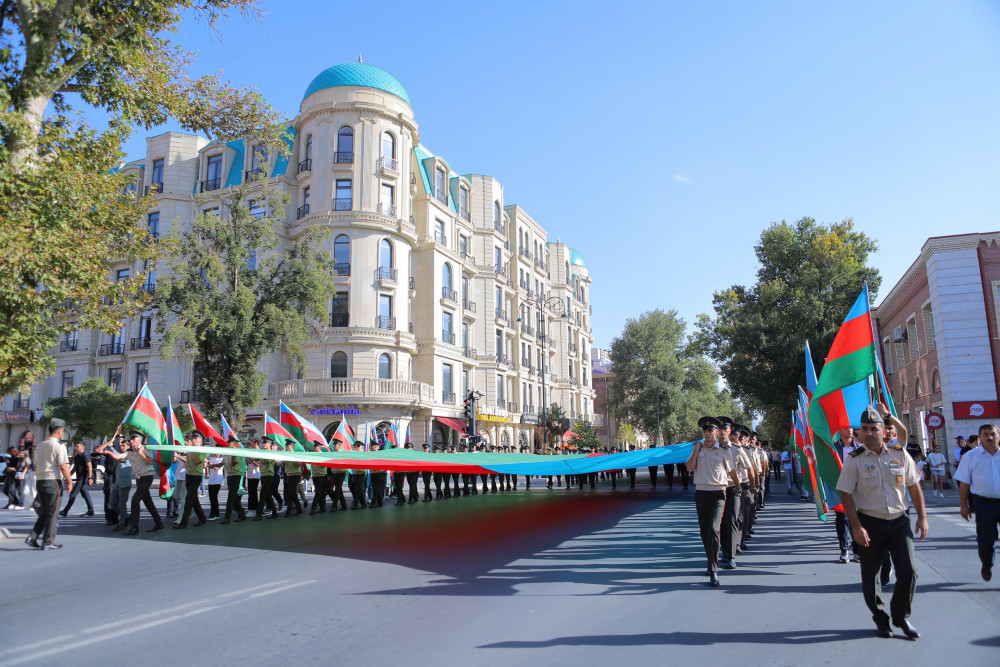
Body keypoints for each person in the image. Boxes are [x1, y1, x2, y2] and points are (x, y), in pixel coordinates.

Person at [836, 405, 927, 639]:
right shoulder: (854, 460)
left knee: (909, 571)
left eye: (873, 428)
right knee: (871, 575)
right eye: (864, 428)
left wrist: (922, 517)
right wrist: (856, 527)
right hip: (869, 523)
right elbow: (845, 493)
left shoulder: (899, 453)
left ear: (884, 431)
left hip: (899, 522)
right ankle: (880, 619)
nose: (868, 432)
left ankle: (901, 617)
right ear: (859, 433)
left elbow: (913, 485)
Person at [686, 416, 739, 588]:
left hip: (718, 493)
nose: (707, 433)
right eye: (705, 431)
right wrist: (695, 450)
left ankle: (713, 569)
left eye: (711, 430)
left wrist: (738, 486)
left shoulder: (724, 450)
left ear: (717, 432)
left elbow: (731, 471)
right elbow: (689, 468)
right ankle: (711, 558)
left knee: (713, 528)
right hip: (701, 493)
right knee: (704, 531)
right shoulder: (698, 449)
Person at [955, 422, 1000, 582]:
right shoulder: (970, 457)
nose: (990, 437)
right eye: (986, 434)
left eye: (993, 434)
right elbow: (964, 483)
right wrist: (963, 505)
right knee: (986, 540)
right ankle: (987, 563)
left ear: (998, 436)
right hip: (984, 504)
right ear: (980, 437)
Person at [25, 419, 73, 549]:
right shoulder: (59, 445)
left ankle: (33, 537)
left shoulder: (40, 445)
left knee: (46, 511)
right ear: (60, 430)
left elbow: (34, 466)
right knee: (53, 513)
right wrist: (69, 482)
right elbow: (63, 466)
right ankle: (48, 542)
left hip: (40, 481)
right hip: (53, 481)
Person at [112, 432, 163, 534]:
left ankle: (134, 527)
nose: (131, 441)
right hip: (139, 479)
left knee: (135, 500)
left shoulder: (145, 449)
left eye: (133, 439)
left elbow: (150, 461)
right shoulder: (130, 451)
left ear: (139, 440)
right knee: (148, 502)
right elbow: (118, 457)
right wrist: (108, 452)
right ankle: (159, 523)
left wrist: (140, 453)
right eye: (130, 439)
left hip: (147, 477)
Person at [834, 427, 859, 563]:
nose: (849, 431)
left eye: (850, 428)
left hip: (858, 488)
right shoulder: (833, 448)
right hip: (840, 488)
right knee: (842, 518)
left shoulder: (860, 447)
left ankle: (857, 550)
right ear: (840, 431)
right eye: (845, 428)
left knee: (857, 519)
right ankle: (844, 550)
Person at [175, 431, 208, 529]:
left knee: (189, 500)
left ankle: (183, 523)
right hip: (188, 475)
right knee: (194, 500)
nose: (193, 440)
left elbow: (197, 461)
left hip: (196, 476)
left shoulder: (201, 450)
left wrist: (192, 450)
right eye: (192, 438)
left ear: (200, 440)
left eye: (195, 438)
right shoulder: (190, 449)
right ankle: (202, 518)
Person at [60, 441, 94, 517]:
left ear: (83, 447)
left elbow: (89, 466)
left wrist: (90, 477)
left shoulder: (85, 455)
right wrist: (68, 476)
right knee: (85, 495)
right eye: (75, 446)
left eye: (77, 446)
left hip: (83, 478)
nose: (75, 448)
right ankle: (91, 510)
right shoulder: (77, 457)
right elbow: (75, 468)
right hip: (79, 477)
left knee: (73, 494)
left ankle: (65, 511)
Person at [221, 436, 247, 524]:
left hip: (236, 475)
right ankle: (242, 514)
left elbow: (233, 463)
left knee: (230, 498)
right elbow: (222, 463)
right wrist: (211, 465)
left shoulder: (237, 452)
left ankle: (227, 518)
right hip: (229, 475)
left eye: (230, 442)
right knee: (234, 497)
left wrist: (232, 453)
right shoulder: (227, 452)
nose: (228, 443)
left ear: (234, 444)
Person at [206, 453, 224, 519]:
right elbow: (207, 466)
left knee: (214, 496)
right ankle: (213, 512)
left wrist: (209, 463)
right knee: (211, 497)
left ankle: (216, 514)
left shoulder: (222, 459)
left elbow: (217, 467)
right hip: (211, 480)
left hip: (218, 480)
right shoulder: (212, 458)